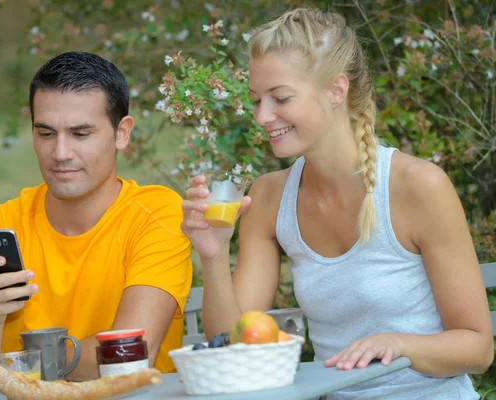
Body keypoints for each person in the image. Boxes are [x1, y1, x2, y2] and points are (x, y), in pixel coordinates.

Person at [181, 8, 493, 399]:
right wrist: (213, 253)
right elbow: (231, 344)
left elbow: (478, 349)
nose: (262, 116)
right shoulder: (268, 197)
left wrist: (400, 344)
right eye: (256, 99)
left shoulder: (418, 187)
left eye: (280, 98)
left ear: (336, 90)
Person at [0, 51, 192, 396]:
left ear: (122, 133)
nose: (60, 153)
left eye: (80, 134)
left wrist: (23, 364)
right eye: (46, 134)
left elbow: (128, 357)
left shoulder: (157, 213)